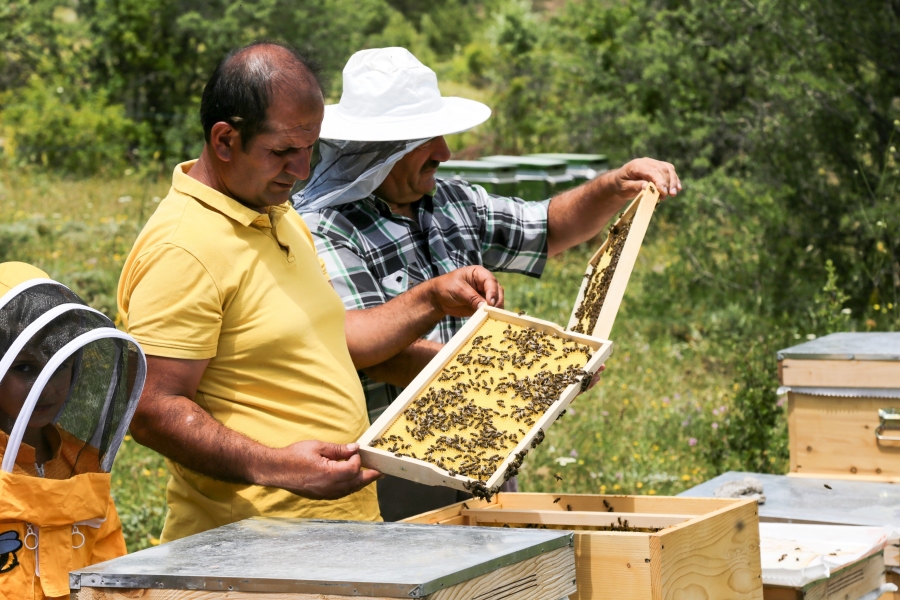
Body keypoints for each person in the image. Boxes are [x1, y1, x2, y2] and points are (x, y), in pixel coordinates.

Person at [117, 41, 503, 543]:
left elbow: (326, 334)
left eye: (310, 149)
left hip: (334, 532)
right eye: (282, 152)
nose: (301, 170)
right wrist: (276, 467)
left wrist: (429, 298)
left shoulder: (275, 212)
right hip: (252, 548)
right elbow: (150, 408)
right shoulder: (183, 248)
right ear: (225, 140)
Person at [296, 47, 682, 521]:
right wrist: (531, 376)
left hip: (485, 452)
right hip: (396, 472)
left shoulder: (453, 201)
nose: (445, 151)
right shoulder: (323, 229)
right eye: (424, 140)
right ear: (379, 153)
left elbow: (548, 226)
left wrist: (613, 183)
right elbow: (369, 351)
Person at [0, 261, 146, 599]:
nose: (47, 386)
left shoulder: (81, 463)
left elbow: (112, 575)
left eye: (59, 364)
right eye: (24, 367)